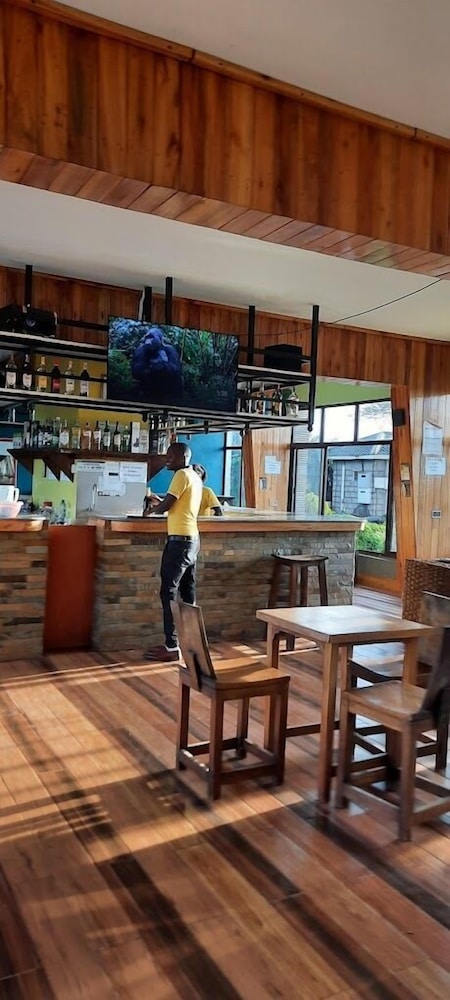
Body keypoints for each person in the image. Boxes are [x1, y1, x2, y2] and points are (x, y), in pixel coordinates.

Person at [143, 442, 202, 662]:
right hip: (192, 540)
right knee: (188, 595)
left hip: (179, 542)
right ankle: (191, 644)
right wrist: (161, 504)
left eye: (170, 456)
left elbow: (167, 506)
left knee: (168, 592)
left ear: (183, 457)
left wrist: (151, 510)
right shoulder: (194, 476)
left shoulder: (181, 475)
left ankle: (171, 647)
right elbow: (176, 505)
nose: (167, 459)